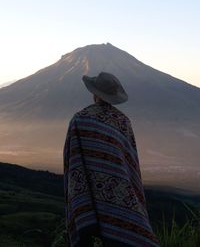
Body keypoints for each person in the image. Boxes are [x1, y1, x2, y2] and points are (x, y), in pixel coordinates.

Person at [63, 72, 160, 247]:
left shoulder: (80, 119)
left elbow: (73, 160)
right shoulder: (123, 122)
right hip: (119, 194)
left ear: (94, 93)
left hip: (88, 193)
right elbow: (130, 163)